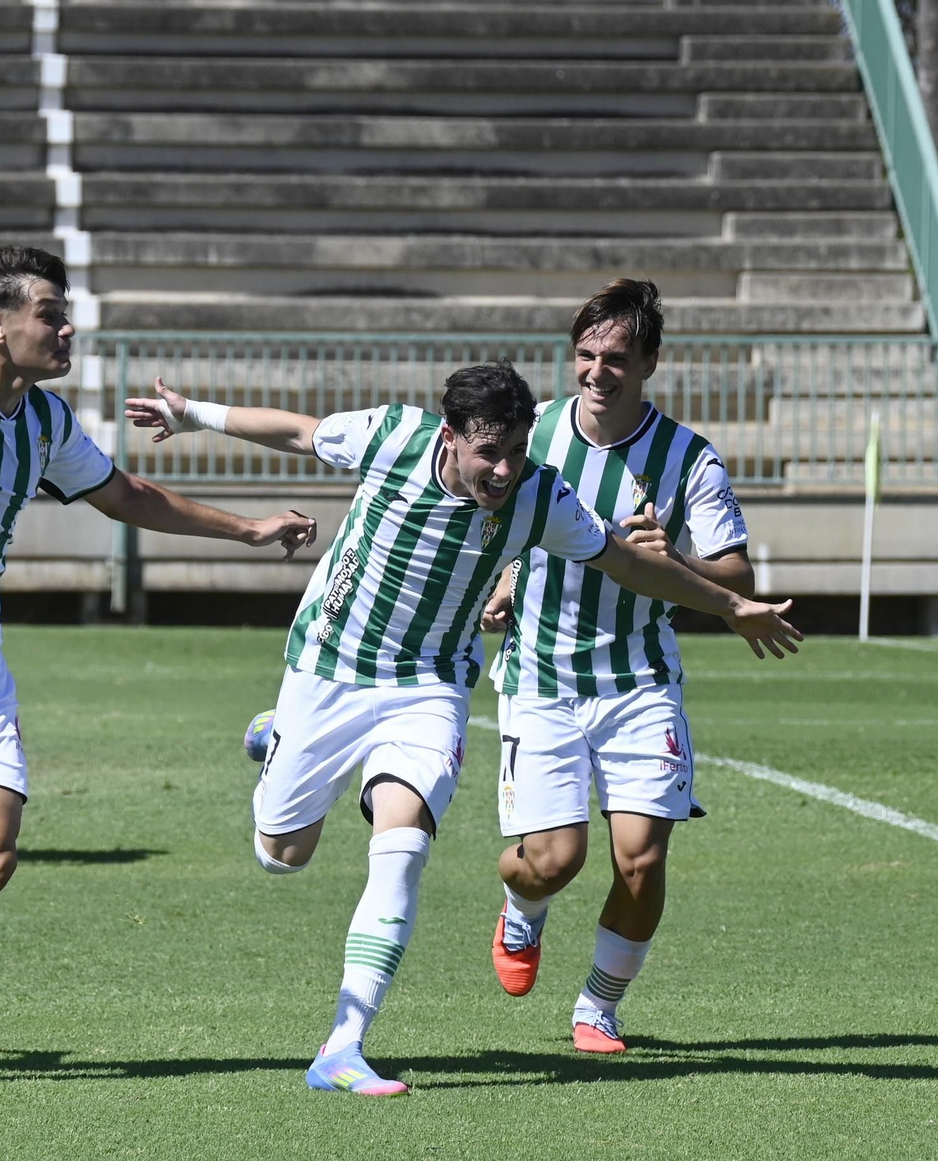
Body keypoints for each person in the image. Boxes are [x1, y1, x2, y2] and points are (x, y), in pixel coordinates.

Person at [126, 359, 798, 1096]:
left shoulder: (540, 496)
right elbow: (295, 430)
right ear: (450, 436)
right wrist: (194, 414)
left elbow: (627, 565)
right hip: (329, 667)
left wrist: (729, 607)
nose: (505, 469)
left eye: (516, 449)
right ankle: (276, 735)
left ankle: (342, 1047)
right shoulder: (392, 436)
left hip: (430, 685)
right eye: (489, 452)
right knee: (281, 853)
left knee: (403, 844)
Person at [0, 243, 317, 1089]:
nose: (66, 326)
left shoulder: (46, 424)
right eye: (49, 313)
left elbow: (127, 497)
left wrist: (248, 527)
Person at [482, 279, 757, 1054]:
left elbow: (734, 575)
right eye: (585, 355)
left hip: (639, 683)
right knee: (553, 860)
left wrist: (679, 559)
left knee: (640, 861)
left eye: (615, 358)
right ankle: (519, 901)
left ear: (650, 364)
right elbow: (487, 516)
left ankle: (599, 1005)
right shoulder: (529, 433)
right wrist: (501, 582)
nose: (597, 371)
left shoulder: (687, 457)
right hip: (540, 675)